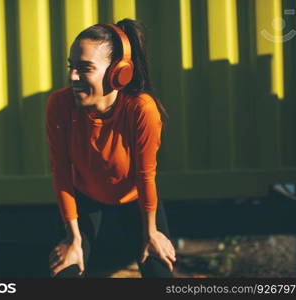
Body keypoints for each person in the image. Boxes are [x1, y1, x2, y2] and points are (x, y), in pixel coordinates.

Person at [46, 18, 176, 278]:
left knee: (159, 272)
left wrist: (151, 233)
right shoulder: (59, 104)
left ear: (119, 72)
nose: (73, 76)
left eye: (85, 68)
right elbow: (60, 172)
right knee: (64, 273)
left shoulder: (141, 109)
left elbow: (146, 174)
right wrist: (73, 238)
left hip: (135, 200)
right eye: (72, 67)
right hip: (85, 197)